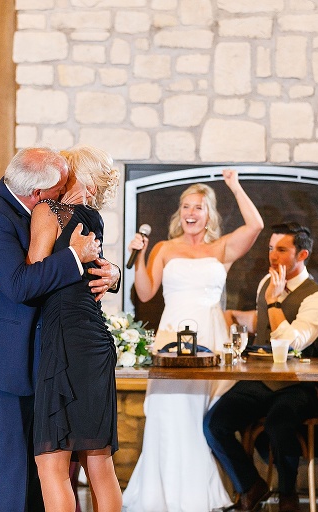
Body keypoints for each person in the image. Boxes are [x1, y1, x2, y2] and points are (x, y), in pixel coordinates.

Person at [0, 147, 120, 512]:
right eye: (59, 187)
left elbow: (83, 264)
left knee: (38, 476)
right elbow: (20, 284)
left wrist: (113, 273)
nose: (65, 192)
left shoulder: (53, 210)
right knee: (11, 479)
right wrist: (74, 256)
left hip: (42, 361)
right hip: (0, 366)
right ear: (37, 193)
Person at [122, 171, 264, 512]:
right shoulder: (165, 248)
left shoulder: (221, 248)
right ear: (179, 213)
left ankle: (197, 496)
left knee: (198, 415)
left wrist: (234, 185)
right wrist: (138, 256)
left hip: (210, 338)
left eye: (198, 207)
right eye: (185, 206)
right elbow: (144, 291)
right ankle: (159, 495)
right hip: (173, 334)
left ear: (208, 214)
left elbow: (256, 225)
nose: (190, 212)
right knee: (165, 409)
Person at [204, 222, 318, 512]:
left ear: (302, 255)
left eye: (282, 249)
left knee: (279, 423)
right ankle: (251, 485)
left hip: (297, 384)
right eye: (271, 248)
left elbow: (291, 342)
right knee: (214, 423)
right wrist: (232, 316)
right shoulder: (266, 283)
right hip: (258, 380)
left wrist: (274, 302)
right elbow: (260, 321)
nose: (273, 255)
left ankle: (288, 493)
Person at [28, 145, 122, 512]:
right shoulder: (93, 219)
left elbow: (34, 275)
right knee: (98, 461)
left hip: (65, 340)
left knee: (51, 463)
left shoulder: (49, 210)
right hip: (95, 340)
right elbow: (96, 274)